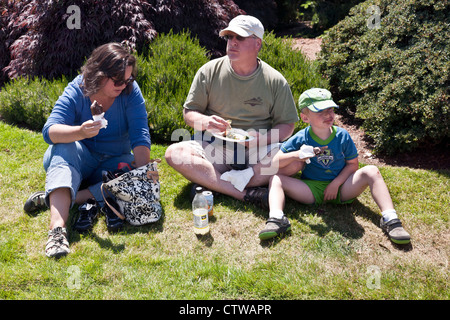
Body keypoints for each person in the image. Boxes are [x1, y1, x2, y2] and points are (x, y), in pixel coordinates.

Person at [23, 43, 152, 258]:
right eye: (118, 80)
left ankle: (56, 197)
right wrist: (80, 132)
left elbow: (140, 134)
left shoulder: (130, 91)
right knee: (63, 145)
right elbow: (49, 131)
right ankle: (57, 231)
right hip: (78, 159)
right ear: (99, 75)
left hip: (114, 161)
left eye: (128, 79)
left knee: (139, 172)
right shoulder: (77, 89)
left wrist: (143, 173)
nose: (124, 85)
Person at [165, 15, 299, 208]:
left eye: (240, 38)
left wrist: (259, 140)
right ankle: (243, 194)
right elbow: (189, 113)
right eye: (229, 37)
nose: (232, 43)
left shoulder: (275, 80)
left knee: (296, 162)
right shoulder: (209, 71)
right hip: (216, 149)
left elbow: (287, 126)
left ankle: (211, 182)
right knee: (174, 153)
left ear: (257, 44)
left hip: (258, 153)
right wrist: (205, 122)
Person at [258, 88, 411, 245]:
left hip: (342, 187)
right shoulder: (301, 137)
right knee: (276, 179)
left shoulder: (342, 136)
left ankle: (391, 220)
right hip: (311, 189)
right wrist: (297, 155)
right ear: (305, 118)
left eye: (330, 109)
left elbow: (353, 165)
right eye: (320, 111)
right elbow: (275, 162)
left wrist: (336, 183)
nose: (328, 115)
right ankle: (277, 219)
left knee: (371, 170)